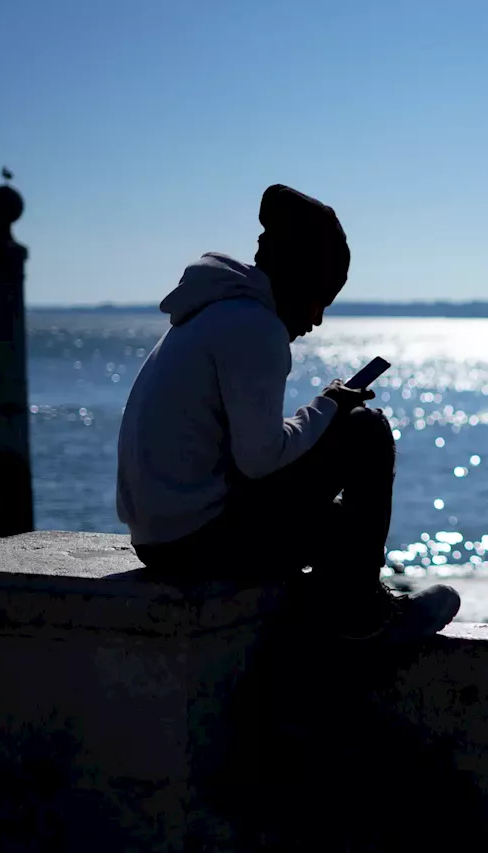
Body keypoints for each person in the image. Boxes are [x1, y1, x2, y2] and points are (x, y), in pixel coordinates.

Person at [115, 184, 460, 643]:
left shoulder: (211, 313)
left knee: (340, 521)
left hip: (158, 540)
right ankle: (364, 614)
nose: (317, 320)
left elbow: (248, 454)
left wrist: (324, 409)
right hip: (199, 543)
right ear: (299, 279)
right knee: (365, 429)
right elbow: (259, 458)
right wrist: (330, 407)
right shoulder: (256, 327)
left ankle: (348, 603)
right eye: (320, 298)